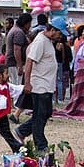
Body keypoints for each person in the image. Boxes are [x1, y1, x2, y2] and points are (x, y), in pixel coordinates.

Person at [14, 23, 58, 153]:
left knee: (46, 113)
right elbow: (29, 61)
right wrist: (27, 82)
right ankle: (41, 145)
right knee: (39, 115)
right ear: (52, 30)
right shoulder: (40, 41)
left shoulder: (48, 41)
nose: (60, 37)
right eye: (59, 33)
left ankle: (22, 131)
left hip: (47, 84)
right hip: (39, 85)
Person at [5, 13, 31, 84]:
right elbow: (17, 49)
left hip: (13, 62)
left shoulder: (15, 30)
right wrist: (19, 66)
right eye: (29, 23)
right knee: (16, 86)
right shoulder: (18, 32)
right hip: (14, 63)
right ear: (25, 23)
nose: (30, 26)